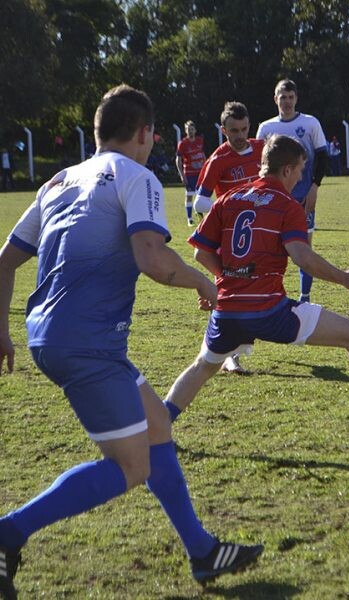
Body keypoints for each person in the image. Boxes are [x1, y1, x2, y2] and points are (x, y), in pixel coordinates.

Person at [0, 85, 263, 600]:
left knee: (158, 423)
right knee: (132, 466)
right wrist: (205, 283)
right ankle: (8, 533)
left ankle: (203, 552)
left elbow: (6, 259)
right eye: (151, 136)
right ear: (144, 134)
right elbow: (152, 258)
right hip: (86, 342)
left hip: (56, 337)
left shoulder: (58, 180)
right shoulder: (138, 175)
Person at [162, 133, 349, 431]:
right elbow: (303, 258)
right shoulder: (286, 205)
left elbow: (200, 252)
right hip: (269, 311)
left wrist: (226, 280)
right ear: (286, 169)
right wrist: (344, 278)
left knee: (203, 366)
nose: (300, 177)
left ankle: (158, 426)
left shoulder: (230, 198)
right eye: (299, 169)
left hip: (228, 310)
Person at [194, 101, 265, 375]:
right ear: (223, 130)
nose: (240, 135)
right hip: (231, 239)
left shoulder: (261, 149)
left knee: (252, 294)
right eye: (234, 130)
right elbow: (200, 202)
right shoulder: (219, 158)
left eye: (245, 128)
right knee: (228, 294)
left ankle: (230, 350)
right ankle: (225, 354)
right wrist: (229, 209)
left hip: (260, 235)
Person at [256, 79, 329, 303]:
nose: (286, 101)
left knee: (304, 247)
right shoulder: (266, 128)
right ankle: (266, 293)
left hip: (303, 198)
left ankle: (304, 298)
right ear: (275, 98)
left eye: (290, 97)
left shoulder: (310, 123)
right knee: (267, 246)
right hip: (273, 198)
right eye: (282, 97)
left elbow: (323, 157)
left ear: (296, 98)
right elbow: (258, 164)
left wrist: (315, 186)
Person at [175, 120, 206, 226]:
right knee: (189, 195)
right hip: (189, 173)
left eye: (192, 129)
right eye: (188, 129)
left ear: (195, 130)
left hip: (200, 173)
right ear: (186, 130)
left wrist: (205, 168)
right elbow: (178, 160)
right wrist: (181, 174)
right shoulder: (183, 144)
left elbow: (202, 155)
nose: (190, 131)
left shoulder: (199, 141)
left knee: (200, 196)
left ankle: (200, 218)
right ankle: (189, 219)